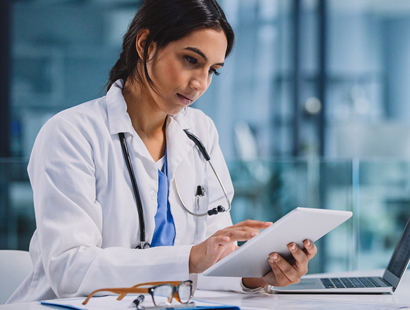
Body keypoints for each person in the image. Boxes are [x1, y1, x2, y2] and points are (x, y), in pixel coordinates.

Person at [7, 0, 316, 303]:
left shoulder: (200, 132)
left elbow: (216, 259)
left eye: (213, 70)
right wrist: (191, 258)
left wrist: (259, 274)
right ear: (145, 44)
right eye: (191, 60)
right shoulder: (71, 133)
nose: (199, 83)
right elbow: (70, 271)